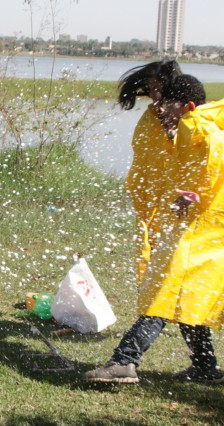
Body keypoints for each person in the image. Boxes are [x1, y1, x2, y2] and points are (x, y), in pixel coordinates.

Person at [84, 75, 224, 384]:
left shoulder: (201, 126)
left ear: (187, 105)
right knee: (187, 296)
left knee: (163, 293)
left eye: (169, 106)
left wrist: (190, 193)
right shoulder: (194, 124)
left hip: (200, 234)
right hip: (205, 233)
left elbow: (215, 158)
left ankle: (124, 361)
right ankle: (205, 365)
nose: (163, 111)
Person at [119, 60, 182, 281]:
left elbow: (186, 154)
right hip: (148, 193)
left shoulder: (186, 115)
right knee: (146, 243)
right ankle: (147, 297)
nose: (154, 95)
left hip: (172, 194)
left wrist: (170, 126)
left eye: (158, 89)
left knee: (169, 248)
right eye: (151, 89)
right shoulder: (151, 115)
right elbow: (143, 153)